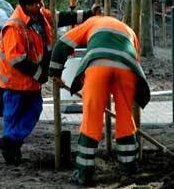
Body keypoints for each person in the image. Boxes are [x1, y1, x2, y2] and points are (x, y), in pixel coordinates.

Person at [0, 0, 99, 164]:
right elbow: (17, 60)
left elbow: (62, 17)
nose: (41, 5)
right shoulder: (14, 27)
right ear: (26, 5)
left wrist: (89, 14)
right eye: (37, 3)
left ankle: (10, 142)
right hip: (15, 83)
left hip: (31, 82)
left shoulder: (40, 15)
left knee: (34, 109)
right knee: (13, 118)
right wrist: (40, 74)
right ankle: (12, 151)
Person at [49, 14, 150, 186]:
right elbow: (136, 61)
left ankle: (84, 173)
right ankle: (129, 167)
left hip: (98, 66)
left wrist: (55, 74)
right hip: (126, 67)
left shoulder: (91, 23)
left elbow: (61, 45)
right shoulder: (128, 30)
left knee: (92, 117)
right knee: (125, 115)